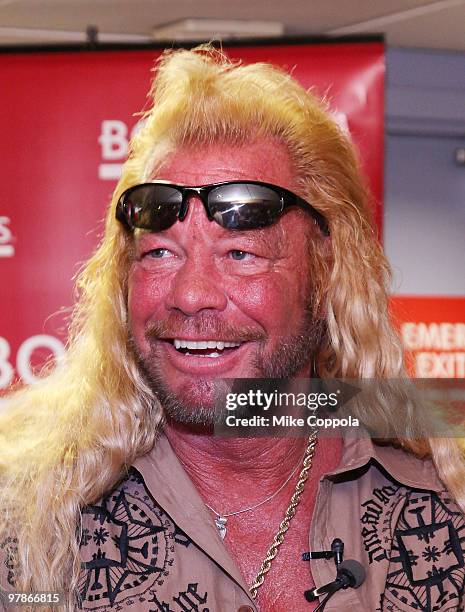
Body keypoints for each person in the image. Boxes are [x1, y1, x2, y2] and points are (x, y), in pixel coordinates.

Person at [1, 45, 465, 612]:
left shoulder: (443, 514)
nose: (191, 294)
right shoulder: (26, 523)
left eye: (241, 253)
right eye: (161, 253)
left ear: (326, 273)